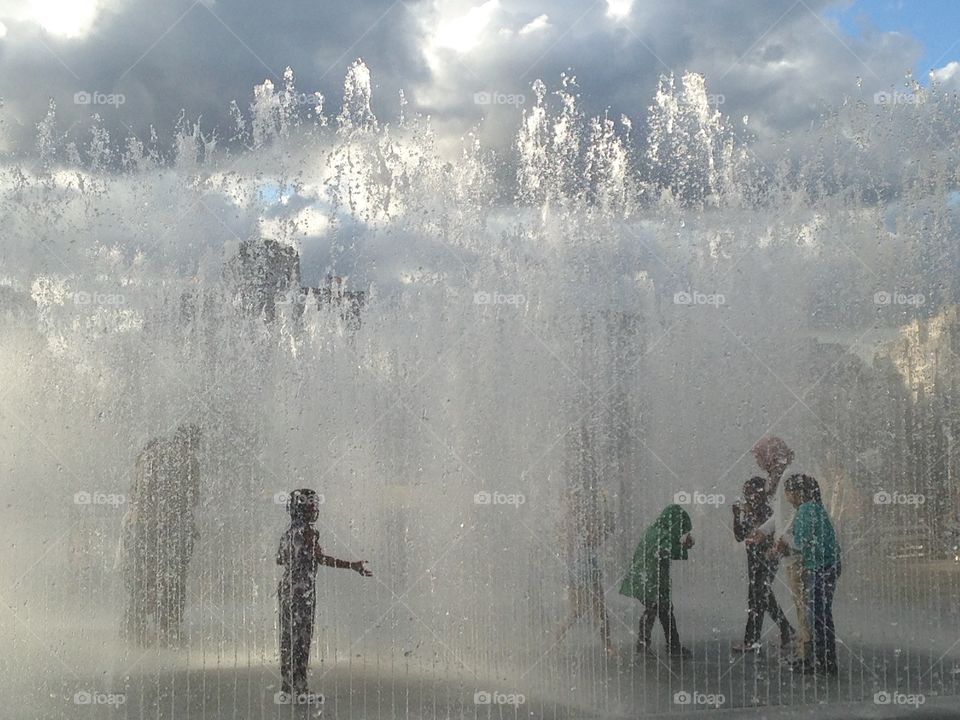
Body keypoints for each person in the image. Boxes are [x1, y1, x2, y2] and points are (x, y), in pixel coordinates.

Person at [277, 489, 373, 700]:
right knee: (302, 639)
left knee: (287, 637)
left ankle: (286, 684)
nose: (315, 510)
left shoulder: (288, 532)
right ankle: (300, 686)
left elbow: (279, 559)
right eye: (311, 506)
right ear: (302, 509)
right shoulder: (308, 533)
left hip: (286, 589)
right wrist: (352, 566)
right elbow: (321, 559)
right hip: (302, 592)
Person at [120, 424, 202, 647]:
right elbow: (192, 498)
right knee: (175, 579)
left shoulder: (147, 455)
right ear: (192, 442)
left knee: (142, 577)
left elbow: (136, 492)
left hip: (141, 526)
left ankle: (134, 628)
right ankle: (169, 628)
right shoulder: (188, 460)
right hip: (172, 529)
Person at [746, 436, 807, 659]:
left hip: (797, 550)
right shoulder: (780, 478)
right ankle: (804, 650)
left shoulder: (789, 476)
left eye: (760, 456)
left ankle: (807, 655)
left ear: (771, 455)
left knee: (804, 604)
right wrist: (763, 531)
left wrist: (784, 540)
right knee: (800, 602)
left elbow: (797, 512)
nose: (758, 462)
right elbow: (781, 515)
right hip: (791, 550)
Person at [777, 474, 841, 676]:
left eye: (787, 491)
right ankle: (825, 660)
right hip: (828, 564)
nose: (786, 496)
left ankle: (822, 662)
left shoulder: (805, 510)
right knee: (821, 615)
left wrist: (783, 543)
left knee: (817, 616)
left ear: (796, 492)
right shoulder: (815, 508)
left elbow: (801, 542)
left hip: (820, 567)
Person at [619, 504, 694, 658]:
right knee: (660, 610)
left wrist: (681, 546)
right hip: (651, 580)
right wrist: (684, 547)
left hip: (646, 578)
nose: (679, 532)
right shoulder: (662, 534)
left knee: (658, 610)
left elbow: (661, 549)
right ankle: (662, 646)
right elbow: (664, 551)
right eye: (680, 528)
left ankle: (650, 645)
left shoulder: (655, 531)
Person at [732, 477, 794, 652]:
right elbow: (740, 536)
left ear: (762, 494)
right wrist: (736, 516)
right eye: (747, 492)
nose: (749, 496)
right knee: (764, 598)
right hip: (754, 561)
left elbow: (770, 535)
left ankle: (752, 641)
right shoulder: (750, 512)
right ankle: (787, 630)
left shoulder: (767, 512)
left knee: (757, 599)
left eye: (752, 492)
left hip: (766, 560)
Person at [555, 485, 615, 655]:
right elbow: (594, 539)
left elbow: (593, 539)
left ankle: (558, 639)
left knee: (583, 610)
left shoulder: (567, 521)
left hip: (579, 569)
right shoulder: (577, 520)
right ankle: (607, 645)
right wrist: (606, 525)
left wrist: (605, 525)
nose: (581, 503)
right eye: (577, 501)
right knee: (594, 609)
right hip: (583, 569)